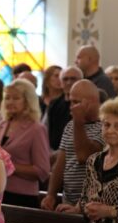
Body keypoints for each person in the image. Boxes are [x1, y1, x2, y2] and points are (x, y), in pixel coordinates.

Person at [43, 80, 104, 211]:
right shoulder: (71, 125)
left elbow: (84, 156)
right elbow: (60, 164)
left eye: (76, 102)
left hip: (91, 204)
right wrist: (51, 195)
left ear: (92, 101)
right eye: (70, 102)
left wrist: (78, 122)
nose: (71, 107)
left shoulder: (105, 126)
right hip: (67, 200)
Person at [0, 80, 50, 208]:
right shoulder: (1, 125)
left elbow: (42, 171)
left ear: (27, 101)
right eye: (7, 98)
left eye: (16, 98)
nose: (10, 102)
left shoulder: (36, 129)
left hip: (21, 196)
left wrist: (8, 165)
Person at [45, 66, 83, 151]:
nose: (69, 82)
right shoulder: (54, 104)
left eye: (73, 79)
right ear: (61, 83)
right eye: (65, 79)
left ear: (81, 81)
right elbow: (48, 132)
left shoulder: (85, 103)